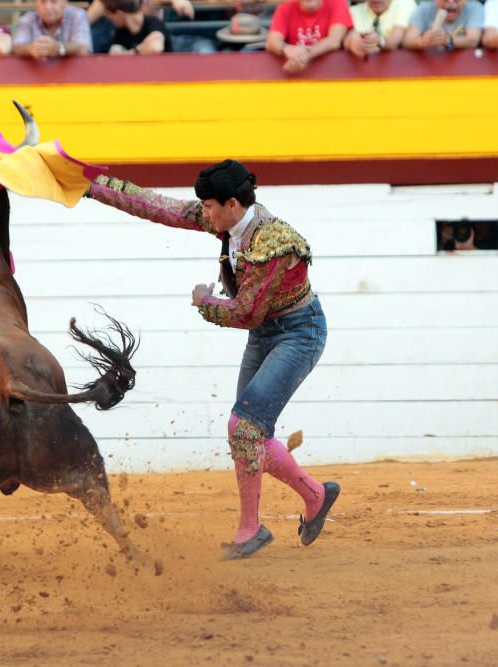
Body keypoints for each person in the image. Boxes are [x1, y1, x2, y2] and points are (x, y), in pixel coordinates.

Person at [85, 160, 341, 561]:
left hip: (299, 333)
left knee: (244, 427)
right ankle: (316, 495)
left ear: (232, 204)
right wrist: (88, 186)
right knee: (251, 432)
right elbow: (162, 208)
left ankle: (250, 529)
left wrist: (203, 299)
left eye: (208, 206)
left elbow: (245, 313)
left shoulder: (272, 242)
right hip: (268, 334)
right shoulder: (227, 221)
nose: (202, 212)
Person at [266, 0, 352, 73]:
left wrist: (304, 56)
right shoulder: (285, 7)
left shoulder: (337, 3)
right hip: (294, 77)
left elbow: (334, 40)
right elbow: (272, 40)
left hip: (332, 73)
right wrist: (286, 48)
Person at [12, 0, 91, 59]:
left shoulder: (78, 15)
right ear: (36, 4)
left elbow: (84, 48)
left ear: (64, 3)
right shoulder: (27, 19)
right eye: (43, 2)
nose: (48, 7)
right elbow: (16, 47)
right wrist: (30, 49)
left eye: (54, 1)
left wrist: (59, 48)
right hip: (35, 76)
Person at [403, 0, 483, 50]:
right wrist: (422, 41)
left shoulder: (474, 8)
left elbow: (473, 40)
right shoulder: (424, 8)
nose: (451, 1)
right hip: (430, 64)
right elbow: (408, 40)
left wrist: (448, 40)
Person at [344, 0, 416, 56]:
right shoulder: (354, 10)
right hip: (362, 68)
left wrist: (379, 41)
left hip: (397, 68)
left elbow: (394, 41)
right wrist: (353, 44)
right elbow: (348, 38)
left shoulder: (405, 3)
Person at [102, 0, 171, 54]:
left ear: (120, 14)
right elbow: (115, 54)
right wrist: (143, 47)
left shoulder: (153, 22)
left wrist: (135, 51)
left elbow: (155, 47)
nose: (109, 19)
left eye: (109, 15)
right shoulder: (120, 32)